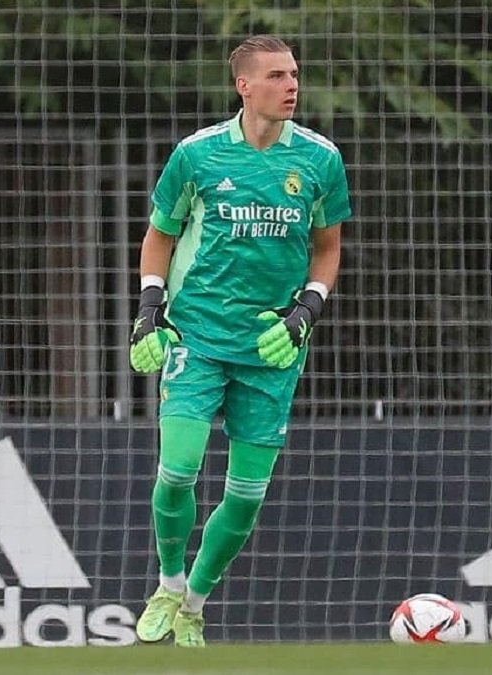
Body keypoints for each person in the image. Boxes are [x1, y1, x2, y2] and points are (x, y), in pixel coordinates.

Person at [127, 34, 352, 647]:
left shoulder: (320, 159)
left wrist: (307, 310)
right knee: (178, 471)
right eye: (277, 76)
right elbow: (159, 237)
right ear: (243, 86)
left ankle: (194, 605)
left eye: (295, 74)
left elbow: (328, 249)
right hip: (196, 335)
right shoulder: (196, 155)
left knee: (247, 497)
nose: (292, 85)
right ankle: (168, 583)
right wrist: (149, 311)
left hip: (273, 347)